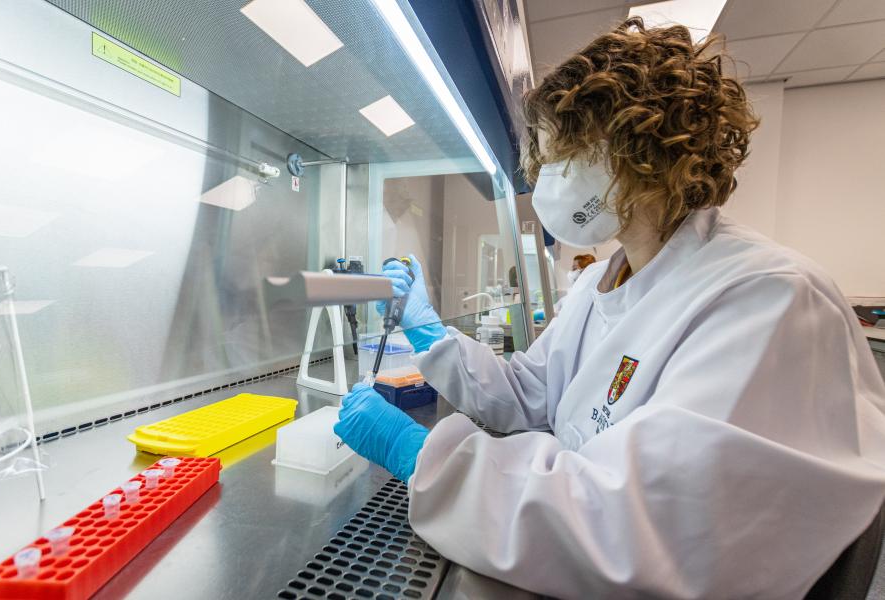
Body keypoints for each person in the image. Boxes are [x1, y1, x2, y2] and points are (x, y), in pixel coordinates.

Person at [334, 18, 885, 598]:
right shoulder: (603, 279)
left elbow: (640, 530)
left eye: (558, 156)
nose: (541, 180)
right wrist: (428, 333)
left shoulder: (769, 299)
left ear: (635, 152)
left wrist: (421, 456)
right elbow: (529, 393)